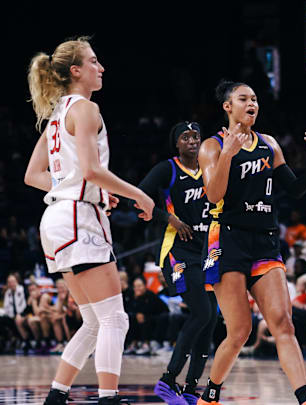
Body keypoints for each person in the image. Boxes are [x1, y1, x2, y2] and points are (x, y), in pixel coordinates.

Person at [24, 36, 154, 405]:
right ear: (76, 70)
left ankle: (56, 396)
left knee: (95, 321)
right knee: (116, 319)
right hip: (79, 219)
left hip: (57, 219)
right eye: (94, 61)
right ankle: (108, 398)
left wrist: (86, 189)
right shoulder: (85, 109)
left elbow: (34, 174)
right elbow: (94, 170)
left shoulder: (56, 115)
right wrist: (139, 195)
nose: (102, 67)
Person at [197, 80, 306, 405]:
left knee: (283, 323)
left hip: (264, 241)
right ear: (228, 106)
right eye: (243, 98)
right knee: (239, 332)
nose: (252, 103)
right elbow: (213, 195)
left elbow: (293, 190)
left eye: (255, 99)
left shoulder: (269, 144)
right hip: (228, 240)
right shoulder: (212, 145)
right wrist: (228, 156)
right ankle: (210, 396)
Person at [136, 120, 219, 405]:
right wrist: (168, 217)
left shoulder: (211, 168)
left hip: (209, 252)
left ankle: (190, 390)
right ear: (177, 143)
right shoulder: (167, 169)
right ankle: (168, 381)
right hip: (178, 253)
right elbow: (137, 196)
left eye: (196, 136)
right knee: (201, 313)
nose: (192, 141)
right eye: (185, 137)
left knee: (211, 320)